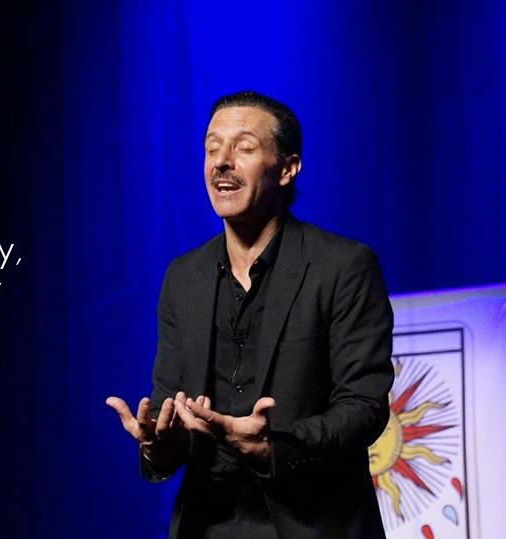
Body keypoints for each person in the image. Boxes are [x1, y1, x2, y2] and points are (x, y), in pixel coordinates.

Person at [106, 91, 394, 538]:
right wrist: (158, 445)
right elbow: (168, 407)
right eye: (212, 148)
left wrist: (272, 447)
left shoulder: (343, 266)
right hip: (208, 524)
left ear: (287, 168)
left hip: (313, 524)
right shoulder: (183, 277)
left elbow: (364, 408)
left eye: (243, 147)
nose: (222, 162)